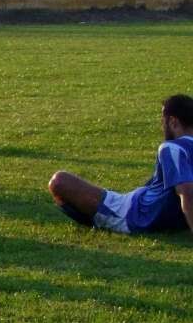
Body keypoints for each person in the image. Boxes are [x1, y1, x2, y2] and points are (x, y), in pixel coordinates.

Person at [49, 95, 193, 234]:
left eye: (163, 121)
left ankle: (96, 219)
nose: (162, 127)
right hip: (149, 205)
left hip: (131, 214)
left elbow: (186, 193)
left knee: (59, 181)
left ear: (173, 122)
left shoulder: (172, 148)